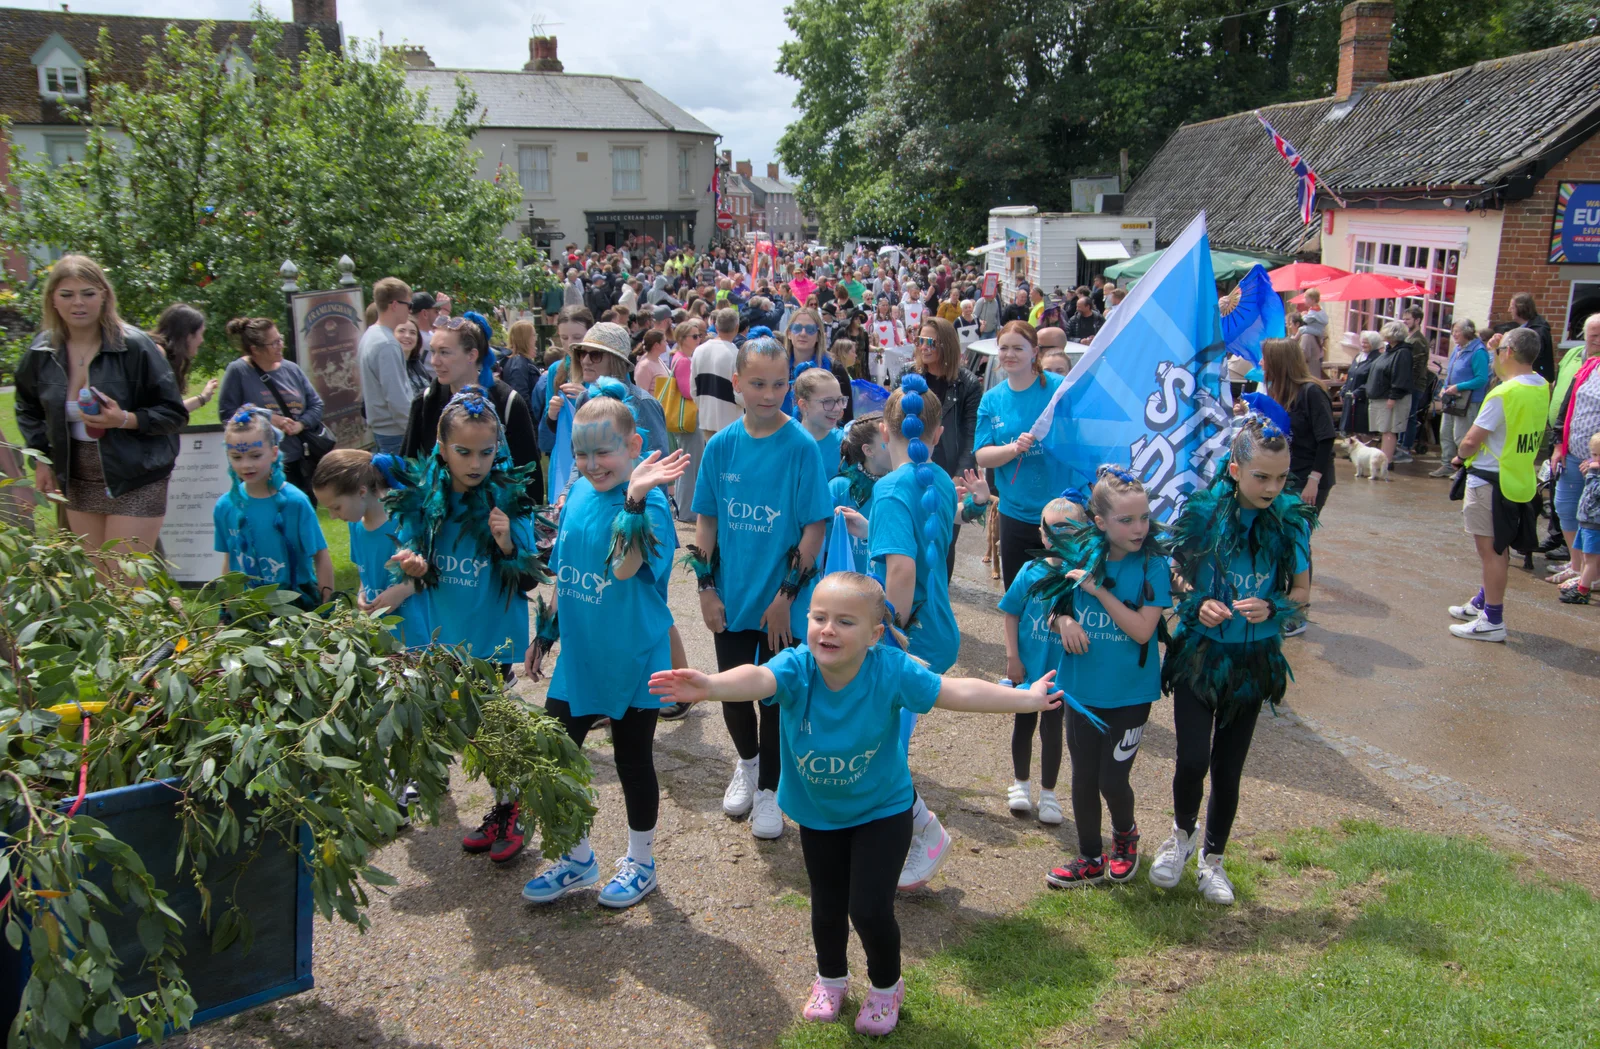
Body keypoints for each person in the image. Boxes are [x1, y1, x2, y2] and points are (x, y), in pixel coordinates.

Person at [648, 572, 1063, 1036]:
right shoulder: (796, 667)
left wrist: (1022, 699)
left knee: (868, 908)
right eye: (820, 617)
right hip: (818, 813)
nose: (828, 629)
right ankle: (831, 980)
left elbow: (953, 691)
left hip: (881, 811)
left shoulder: (891, 669)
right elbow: (758, 678)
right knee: (826, 907)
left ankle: (886, 987)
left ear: (874, 635)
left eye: (845, 621)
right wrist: (710, 685)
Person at [521, 390, 690, 908]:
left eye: (606, 452)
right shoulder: (579, 493)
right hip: (581, 652)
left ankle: (642, 863)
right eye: (582, 453)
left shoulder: (652, 503)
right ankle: (576, 857)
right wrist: (548, 630)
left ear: (635, 445)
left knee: (631, 760)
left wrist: (636, 499)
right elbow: (566, 568)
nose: (593, 464)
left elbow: (622, 567)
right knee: (552, 755)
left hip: (633, 654)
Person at [1154, 414, 1313, 905]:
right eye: (1261, 476)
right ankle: (1180, 838)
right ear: (1234, 469)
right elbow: (1173, 571)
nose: (1272, 487)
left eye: (1282, 477)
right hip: (1200, 655)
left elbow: (1303, 592)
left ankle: (1213, 859)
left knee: (1228, 767)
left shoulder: (1290, 522)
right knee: (1193, 757)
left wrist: (1275, 606)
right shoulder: (1203, 512)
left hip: (1252, 661)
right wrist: (1196, 600)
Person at [389, 387, 548, 862]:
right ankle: (501, 807)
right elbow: (408, 559)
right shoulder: (425, 500)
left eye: (485, 451)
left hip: (494, 641)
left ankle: (512, 806)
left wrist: (504, 543)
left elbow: (526, 576)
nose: (475, 463)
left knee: (494, 728)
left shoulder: (507, 501)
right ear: (441, 448)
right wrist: (412, 566)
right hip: (446, 641)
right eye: (463, 452)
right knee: (467, 728)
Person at [689, 333, 832, 841]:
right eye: (757, 383)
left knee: (773, 697)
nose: (768, 394)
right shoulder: (721, 447)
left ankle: (771, 790)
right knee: (731, 690)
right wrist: (706, 588)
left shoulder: (801, 448)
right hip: (731, 596)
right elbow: (705, 523)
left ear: (789, 387)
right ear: (736, 385)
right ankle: (747, 766)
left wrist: (786, 598)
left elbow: (815, 527)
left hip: (782, 603)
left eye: (778, 384)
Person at [1033, 468, 1170, 889]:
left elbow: (1144, 631)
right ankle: (1090, 857)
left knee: (1113, 778)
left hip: (1130, 694)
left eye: (1144, 517)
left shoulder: (1154, 566)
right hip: (1081, 690)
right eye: (1126, 520)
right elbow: (1051, 608)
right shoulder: (1081, 556)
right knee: (1084, 776)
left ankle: (1125, 837)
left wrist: (1099, 593)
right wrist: (1065, 621)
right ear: (1099, 522)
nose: (1139, 528)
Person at [15, 255, 189, 571]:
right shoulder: (42, 351)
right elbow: (27, 407)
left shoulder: (135, 345)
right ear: (53, 299)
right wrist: (40, 458)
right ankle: (169, 613)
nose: (77, 303)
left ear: (104, 296)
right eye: (67, 295)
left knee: (125, 580)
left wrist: (123, 419)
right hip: (77, 475)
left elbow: (174, 413)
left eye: (88, 293)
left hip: (136, 473)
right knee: (101, 588)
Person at [865, 383, 960, 891]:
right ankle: (905, 839)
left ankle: (922, 834)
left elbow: (900, 570)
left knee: (882, 749)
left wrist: (883, 639)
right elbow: (922, 547)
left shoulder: (889, 488)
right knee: (886, 743)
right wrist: (870, 533)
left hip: (907, 637)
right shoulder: (938, 478)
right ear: (937, 433)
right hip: (937, 629)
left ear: (885, 430)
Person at [1446, 328, 1549, 641]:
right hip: (1517, 475)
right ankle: (1483, 601)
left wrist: (1460, 456)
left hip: (1490, 477)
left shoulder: (1503, 394)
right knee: (1498, 548)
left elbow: (1470, 441)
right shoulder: (1541, 385)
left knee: (1490, 551)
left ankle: (1492, 618)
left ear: (1508, 353)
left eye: (1498, 351)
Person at [994, 494, 1083, 826]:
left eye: (1070, 531)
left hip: (1061, 672)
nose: (1060, 538)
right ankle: (1020, 785)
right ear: (1042, 534)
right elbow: (1011, 613)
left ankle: (1048, 794)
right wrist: (1012, 658)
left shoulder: (1083, 578)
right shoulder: (1029, 571)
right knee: (1024, 723)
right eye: (1054, 531)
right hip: (1028, 669)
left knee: (1052, 730)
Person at [974, 321, 1071, 586]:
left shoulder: (1060, 389)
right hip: (1014, 514)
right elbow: (982, 456)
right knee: (1018, 596)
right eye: (1004, 348)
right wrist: (1013, 448)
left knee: (1061, 598)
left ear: (1034, 352)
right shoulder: (992, 399)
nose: (1010, 354)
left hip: (1061, 514)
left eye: (1018, 348)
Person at [212, 405, 332, 608]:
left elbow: (320, 555)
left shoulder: (295, 502)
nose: (246, 465)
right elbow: (229, 560)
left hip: (296, 603)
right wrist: (226, 607)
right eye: (237, 457)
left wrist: (327, 606)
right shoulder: (225, 505)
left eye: (255, 455)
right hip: (247, 607)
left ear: (274, 453)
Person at [312, 449, 430, 648]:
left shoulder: (404, 521)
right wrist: (361, 593)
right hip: (382, 634)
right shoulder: (355, 525)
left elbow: (433, 570)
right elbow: (363, 568)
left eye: (336, 507)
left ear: (361, 492)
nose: (332, 516)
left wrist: (400, 592)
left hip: (416, 634)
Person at [404, 312, 540, 483]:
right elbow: (408, 471)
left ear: (472, 355)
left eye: (444, 353)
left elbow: (529, 475)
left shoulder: (508, 402)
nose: (434, 361)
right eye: (433, 352)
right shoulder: (426, 402)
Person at [539, 323, 669, 500]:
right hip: (591, 503)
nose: (585, 360)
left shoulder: (643, 402)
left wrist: (642, 514)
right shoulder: (584, 399)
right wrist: (567, 492)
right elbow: (578, 458)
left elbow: (658, 466)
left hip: (631, 507)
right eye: (582, 353)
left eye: (595, 355)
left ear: (616, 360)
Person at [217, 317, 326, 499]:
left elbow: (316, 404)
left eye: (280, 339)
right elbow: (228, 415)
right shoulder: (238, 371)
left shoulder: (291, 369)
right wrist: (269, 419)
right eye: (274, 343)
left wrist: (301, 424)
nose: (280, 346)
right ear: (255, 350)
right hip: (259, 465)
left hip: (298, 460)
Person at [913, 317, 982, 578]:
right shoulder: (909, 376)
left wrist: (961, 473)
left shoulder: (967, 383)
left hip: (949, 471)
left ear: (947, 344)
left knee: (944, 539)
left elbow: (970, 433)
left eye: (930, 341)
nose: (923, 347)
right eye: (920, 340)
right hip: (913, 465)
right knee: (913, 532)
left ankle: (940, 594)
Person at [1545, 314, 1600, 592]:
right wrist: (1558, 445)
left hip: (1596, 463)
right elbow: (1567, 406)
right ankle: (1577, 565)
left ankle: (1591, 574)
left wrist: (1597, 461)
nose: (1595, 340)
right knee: (1565, 508)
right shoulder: (1588, 365)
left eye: (1599, 334)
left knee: (1591, 519)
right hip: (1572, 455)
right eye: (1592, 334)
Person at [359, 277, 415, 454]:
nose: (410, 310)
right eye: (409, 305)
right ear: (395, 305)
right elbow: (397, 399)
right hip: (395, 436)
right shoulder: (387, 344)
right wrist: (415, 431)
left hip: (382, 433)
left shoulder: (371, 334)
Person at [1432, 320, 1491, 476]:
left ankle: (1463, 468)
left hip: (1468, 401)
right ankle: (1447, 465)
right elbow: (1450, 373)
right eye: (1453, 331)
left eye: (1457, 331)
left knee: (1461, 435)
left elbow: (1481, 379)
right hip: (1452, 399)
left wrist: (1459, 387)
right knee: (1446, 433)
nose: (1454, 334)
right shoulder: (1457, 349)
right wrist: (1444, 388)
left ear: (1468, 332)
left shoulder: (1478, 351)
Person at [150, 303, 218, 414]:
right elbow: (164, 413)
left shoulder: (167, 356)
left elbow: (170, 411)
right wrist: (202, 398)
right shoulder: (158, 355)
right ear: (188, 335)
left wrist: (203, 397)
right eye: (201, 334)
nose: (202, 340)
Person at [1365, 322, 1414, 466]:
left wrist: (1393, 396)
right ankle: (1383, 460)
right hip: (1381, 396)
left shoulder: (1403, 353)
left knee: (1389, 430)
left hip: (1392, 398)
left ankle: (1386, 461)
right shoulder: (1389, 351)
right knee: (1383, 429)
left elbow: (1401, 376)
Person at [794, 366, 847, 479]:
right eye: (827, 402)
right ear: (804, 405)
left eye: (840, 400)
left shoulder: (846, 445)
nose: (837, 408)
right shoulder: (789, 444)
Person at [1399, 305, 1432, 460]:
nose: (1405, 322)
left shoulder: (1418, 340)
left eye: (1408, 319)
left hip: (1414, 385)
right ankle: (1400, 443)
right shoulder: (1408, 337)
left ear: (1417, 320)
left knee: (1410, 416)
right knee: (1403, 415)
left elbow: (1417, 366)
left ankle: (1405, 447)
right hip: (1407, 384)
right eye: (1404, 319)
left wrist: (1407, 383)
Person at [1500, 291, 1555, 383]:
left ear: (1521, 308)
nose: (1509, 310)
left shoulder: (1537, 332)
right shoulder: (1526, 328)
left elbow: (1531, 360)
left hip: (1532, 382)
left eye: (1512, 307)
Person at [1339, 331, 1379, 435]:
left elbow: (1372, 380)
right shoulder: (1358, 356)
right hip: (1350, 399)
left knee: (1361, 432)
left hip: (1362, 401)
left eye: (1366, 343)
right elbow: (1351, 376)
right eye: (1362, 342)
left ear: (1373, 344)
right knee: (1348, 433)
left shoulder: (1376, 359)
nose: (1363, 345)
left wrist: (1357, 393)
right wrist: (1343, 390)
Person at [499, 319, 541, 411]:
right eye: (533, 335)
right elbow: (520, 396)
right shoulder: (518, 363)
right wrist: (532, 421)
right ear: (525, 338)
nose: (536, 338)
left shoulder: (521, 361)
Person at [395, 316, 432, 400]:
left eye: (412, 332)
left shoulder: (418, 365)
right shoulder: (390, 365)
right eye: (401, 331)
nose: (407, 336)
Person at [1298, 289, 1328, 376]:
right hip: (1317, 357)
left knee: (1302, 330)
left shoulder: (1307, 335)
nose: (1305, 301)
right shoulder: (1318, 310)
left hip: (1311, 367)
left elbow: (1303, 355)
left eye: (1306, 299)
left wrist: (1303, 315)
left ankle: (1293, 339)